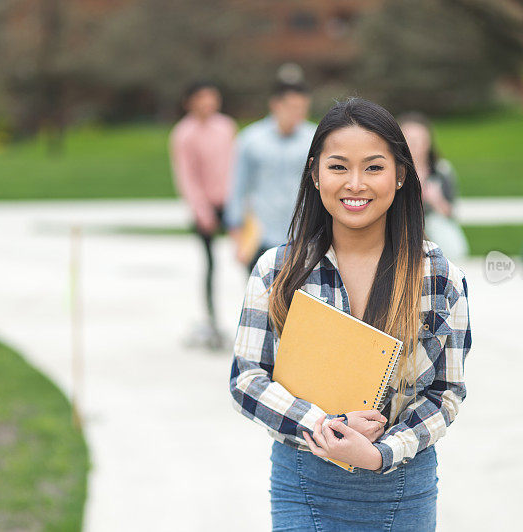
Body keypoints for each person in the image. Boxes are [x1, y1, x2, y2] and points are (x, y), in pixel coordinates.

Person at [229, 98, 472, 530]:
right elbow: (248, 379)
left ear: (400, 175)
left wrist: (381, 453)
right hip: (303, 482)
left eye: (374, 167)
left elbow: (445, 394)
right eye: (338, 167)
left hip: (402, 487)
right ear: (314, 174)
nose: (355, 183)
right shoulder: (277, 270)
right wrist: (325, 425)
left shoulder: (438, 276)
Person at [169, 80, 236, 349]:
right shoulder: (184, 134)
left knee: (251, 261)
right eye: (203, 98)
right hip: (205, 208)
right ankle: (212, 320)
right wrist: (201, 211)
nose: (209, 103)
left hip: (231, 204)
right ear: (190, 101)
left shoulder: (225, 127)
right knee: (210, 265)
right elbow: (187, 177)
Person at [223, 81, 316, 273]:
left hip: (302, 235)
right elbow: (238, 186)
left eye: (302, 108)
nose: (297, 114)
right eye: (293, 107)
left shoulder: (314, 138)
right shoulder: (251, 139)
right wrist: (236, 235)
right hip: (260, 235)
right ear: (276, 105)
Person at [399, 112, 469, 262]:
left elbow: (450, 212)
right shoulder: (390, 170)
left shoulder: (441, 170)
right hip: (400, 223)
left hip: (432, 224)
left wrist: (435, 200)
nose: (414, 144)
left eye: (419, 140)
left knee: (444, 234)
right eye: (409, 139)